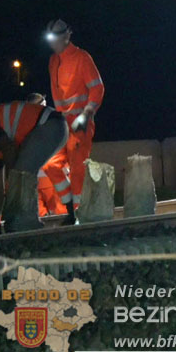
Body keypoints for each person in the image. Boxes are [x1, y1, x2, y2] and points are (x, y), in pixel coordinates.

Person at [45, 19, 105, 223]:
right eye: (50, 39)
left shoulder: (82, 57)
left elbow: (97, 88)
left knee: (78, 168)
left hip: (80, 123)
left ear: (67, 36)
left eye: (56, 38)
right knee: (50, 164)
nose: (52, 43)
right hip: (62, 124)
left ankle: (78, 214)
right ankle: (71, 209)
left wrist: (86, 114)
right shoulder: (53, 61)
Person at [0, 101, 68, 234]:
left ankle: (27, 226)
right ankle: (22, 224)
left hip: (51, 125)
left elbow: (10, 150)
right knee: (20, 174)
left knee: (21, 173)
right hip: (50, 127)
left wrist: (11, 186)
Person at [25, 93, 69, 218]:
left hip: (35, 181)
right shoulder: (54, 122)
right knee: (61, 217)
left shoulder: (24, 125)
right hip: (52, 180)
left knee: (40, 220)